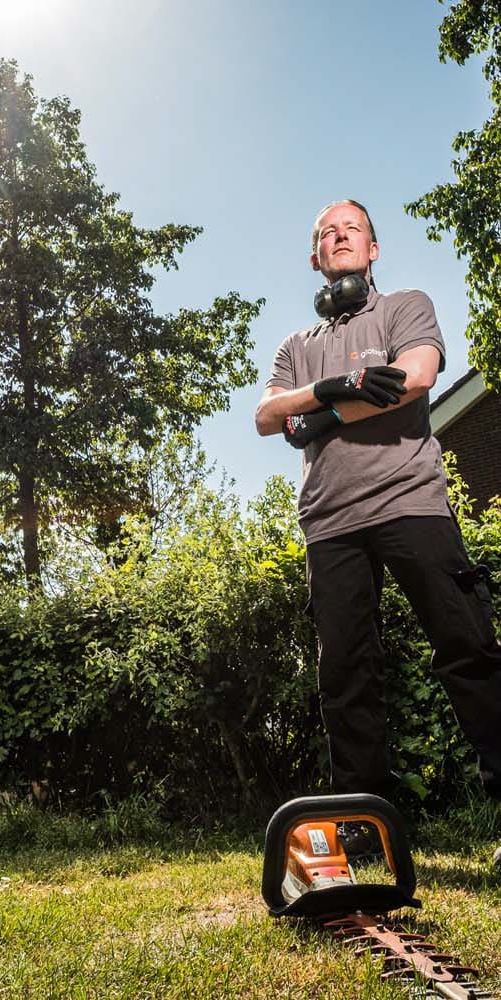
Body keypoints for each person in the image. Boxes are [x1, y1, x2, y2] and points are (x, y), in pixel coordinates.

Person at [255, 198, 501, 805]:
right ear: (315, 256)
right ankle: (367, 826)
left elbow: (413, 377)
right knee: (346, 677)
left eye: (352, 229)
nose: (340, 238)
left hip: (410, 503)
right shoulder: (296, 345)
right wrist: (332, 386)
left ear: (373, 249)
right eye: (328, 233)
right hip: (330, 522)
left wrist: (323, 414)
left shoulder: (404, 306)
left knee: (468, 649)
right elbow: (266, 415)